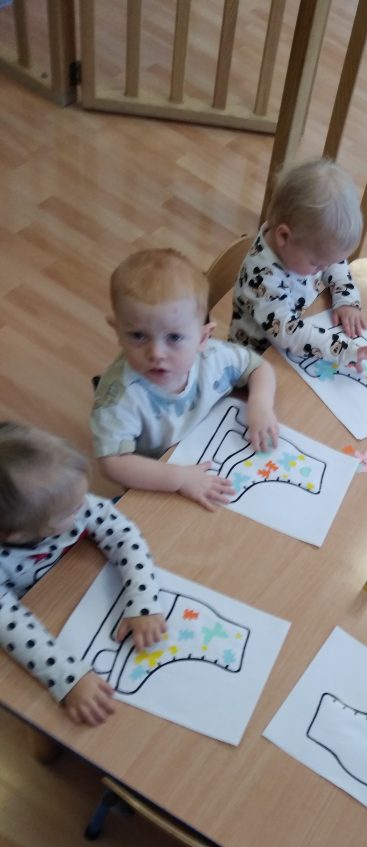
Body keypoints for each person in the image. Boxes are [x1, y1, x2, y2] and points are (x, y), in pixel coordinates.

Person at [0, 422, 166, 726]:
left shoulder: (73, 505)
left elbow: (123, 534)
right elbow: (10, 624)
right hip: (35, 602)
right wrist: (68, 677)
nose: (86, 507)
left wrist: (143, 600)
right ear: (17, 535)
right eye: (72, 511)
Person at [91, 248, 279, 511]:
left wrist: (260, 404)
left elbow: (259, 367)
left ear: (203, 337)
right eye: (138, 336)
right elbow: (112, 463)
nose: (156, 353)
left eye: (174, 338)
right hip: (160, 474)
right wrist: (179, 479)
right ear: (118, 331)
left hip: (209, 449)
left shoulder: (212, 356)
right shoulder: (121, 397)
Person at [228, 157, 367, 371]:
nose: (323, 269)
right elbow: (289, 333)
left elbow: (333, 262)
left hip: (294, 335)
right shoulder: (262, 279)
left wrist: (346, 299)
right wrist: (344, 350)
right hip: (253, 363)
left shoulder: (301, 244)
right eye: (317, 264)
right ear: (284, 236)